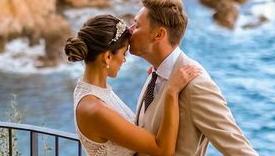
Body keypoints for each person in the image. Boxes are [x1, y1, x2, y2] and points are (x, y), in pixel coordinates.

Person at [130, 0, 258, 156]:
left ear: (159, 35)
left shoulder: (196, 85)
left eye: (136, 25)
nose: (129, 30)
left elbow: (239, 149)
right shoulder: (155, 72)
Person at [65, 14, 201, 156]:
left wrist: (158, 73)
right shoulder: (95, 110)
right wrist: (171, 92)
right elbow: (163, 151)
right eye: (124, 53)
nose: (124, 60)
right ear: (108, 57)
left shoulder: (92, 89)